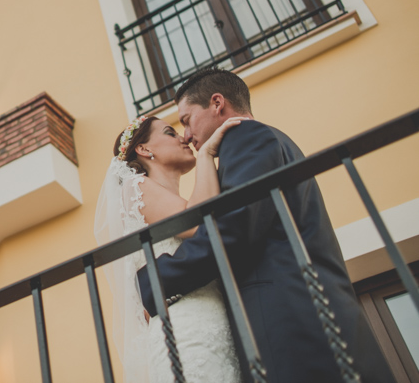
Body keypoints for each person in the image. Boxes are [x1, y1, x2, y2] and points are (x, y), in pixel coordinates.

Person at [135, 68, 395, 383]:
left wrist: (155, 279)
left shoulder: (247, 138)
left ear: (217, 104)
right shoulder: (260, 141)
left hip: (291, 320)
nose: (186, 135)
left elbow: (233, 228)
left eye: (187, 120)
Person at [94, 112, 246, 382]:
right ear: (144, 149)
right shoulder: (134, 188)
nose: (183, 137)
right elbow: (200, 224)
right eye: (169, 132)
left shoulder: (176, 202)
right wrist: (206, 154)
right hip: (185, 332)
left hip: (215, 323)